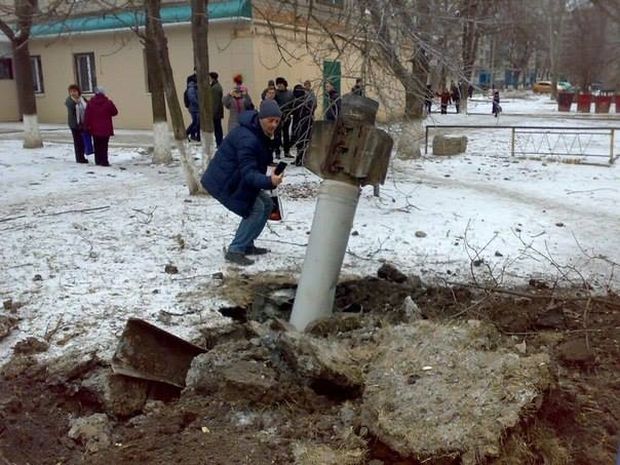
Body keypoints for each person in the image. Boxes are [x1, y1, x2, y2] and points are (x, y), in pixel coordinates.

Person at [201, 99, 284, 266]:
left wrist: (271, 171)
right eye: (270, 120)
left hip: (236, 178)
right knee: (256, 208)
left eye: (277, 121)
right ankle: (235, 249)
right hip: (225, 182)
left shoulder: (260, 133)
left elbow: (258, 162)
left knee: (267, 203)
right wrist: (269, 180)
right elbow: (249, 174)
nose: (274, 124)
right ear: (261, 118)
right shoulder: (248, 139)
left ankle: (247, 244)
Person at [83, 86, 118, 167]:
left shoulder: (90, 103)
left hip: (94, 128)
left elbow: (87, 115)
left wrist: (86, 126)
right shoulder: (108, 102)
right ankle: (104, 161)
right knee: (104, 145)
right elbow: (115, 112)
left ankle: (98, 160)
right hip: (106, 128)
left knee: (96, 144)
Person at [291, 83, 315, 166]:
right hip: (306, 124)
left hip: (301, 124)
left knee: (301, 143)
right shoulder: (307, 100)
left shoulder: (298, 102)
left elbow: (295, 113)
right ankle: (300, 159)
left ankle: (300, 159)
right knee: (303, 143)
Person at [64, 84, 89, 164]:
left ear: (78, 91)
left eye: (74, 91)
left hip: (83, 123)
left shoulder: (82, 99)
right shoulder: (69, 100)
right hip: (75, 124)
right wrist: (76, 102)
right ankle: (79, 158)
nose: (73, 93)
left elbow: (88, 106)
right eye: (71, 92)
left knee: (82, 141)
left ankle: (82, 156)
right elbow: (71, 106)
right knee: (77, 141)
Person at [274, 77, 294, 159]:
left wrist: (290, 112)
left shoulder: (290, 93)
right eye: (278, 85)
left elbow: (293, 104)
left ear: (284, 84)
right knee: (277, 135)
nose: (279, 86)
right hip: (278, 117)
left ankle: (287, 151)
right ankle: (277, 152)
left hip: (287, 116)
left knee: (286, 135)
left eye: (280, 84)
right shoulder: (276, 94)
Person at [209, 72, 224, 147]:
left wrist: (213, 113)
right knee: (218, 127)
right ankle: (219, 142)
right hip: (217, 111)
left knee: (217, 128)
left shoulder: (215, 88)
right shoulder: (216, 86)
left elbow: (215, 102)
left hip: (216, 112)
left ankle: (219, 143)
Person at [184, 75, 200, 142]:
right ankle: (186, 134)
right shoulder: (191, 88)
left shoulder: (194, 88)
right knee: (195, 123)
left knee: (196, 123)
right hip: (194, 108)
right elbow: (192, 99)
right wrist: (199, 104)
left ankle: (192, 135)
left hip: (195, 108)